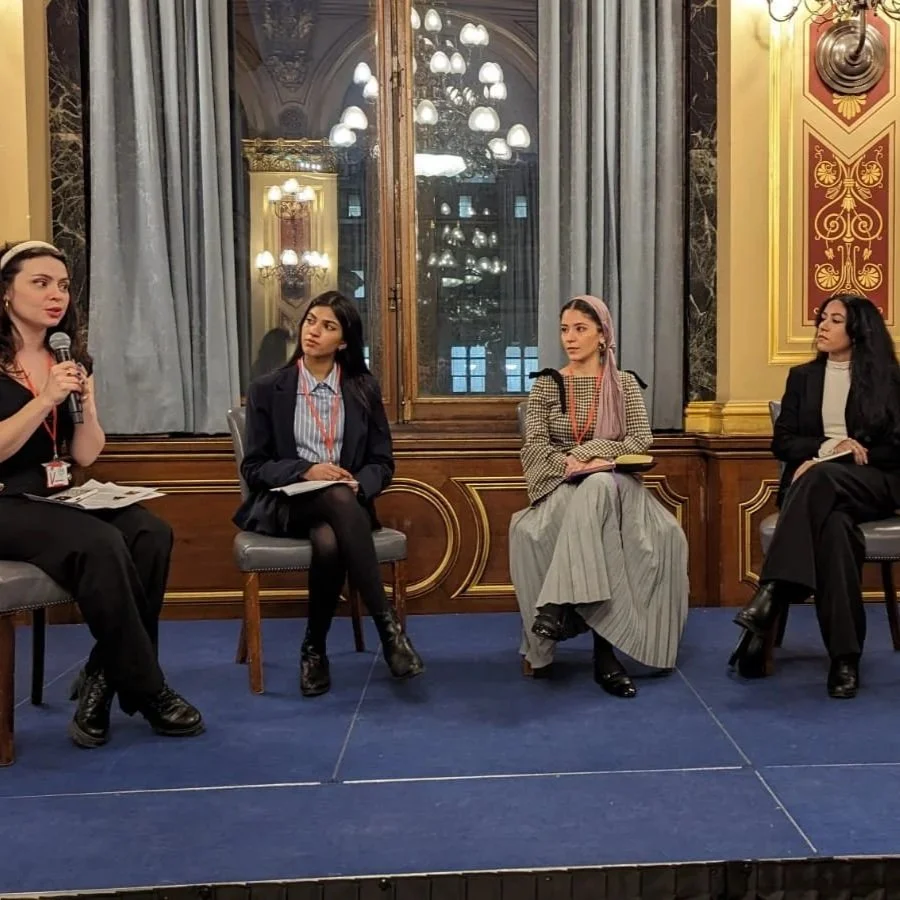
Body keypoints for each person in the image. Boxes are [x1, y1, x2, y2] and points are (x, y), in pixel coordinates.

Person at [0, 240, 203, 747]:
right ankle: (149, 688)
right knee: (100, 544)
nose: (56, 296)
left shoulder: (67, 356)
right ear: (5, 293)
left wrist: (85, 405)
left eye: (63, 286)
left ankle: (102, 676)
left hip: (60, 492)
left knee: (151, 533)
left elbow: (86, 455)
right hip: (6, 500)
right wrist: (44, 397)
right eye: (40, 283)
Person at [234, 290, 423, 696]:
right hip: (285, 503)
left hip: (345, 508)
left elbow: (382, 462)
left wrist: (360, 483)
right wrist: (306, 470)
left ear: (344, 342)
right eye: (310, 322)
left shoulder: (361, 389)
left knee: (329, 537)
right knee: (334, 499)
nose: (313, 332)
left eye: (328, 326)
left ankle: (314, 648)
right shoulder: (270, 388)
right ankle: (389, 631)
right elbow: (254, 467)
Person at [509, 295, 689, 697]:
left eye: (580, 329)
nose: (569, 339)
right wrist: (570, 464)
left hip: (618, 488)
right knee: (591, 493)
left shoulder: (624, 383)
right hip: (562, 487)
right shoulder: (547, 384)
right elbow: (535, 446)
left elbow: (641, 440)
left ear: (603, 334)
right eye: (564, 329)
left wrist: (591, 454)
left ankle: (555, 607)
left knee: (600, 487)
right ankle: (604, 655)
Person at [729, 293, 900, 699]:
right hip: (824, 492)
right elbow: (783, 442)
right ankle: (845, 660)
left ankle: (772, 593)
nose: (822, 326)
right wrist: (827, 449)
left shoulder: (889, 380)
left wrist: (854, 454)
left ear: (857, 330)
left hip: (875, 482)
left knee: (821, 481)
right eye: (821, 318)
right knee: (836, 533)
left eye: (834, 320)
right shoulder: (802, 378)